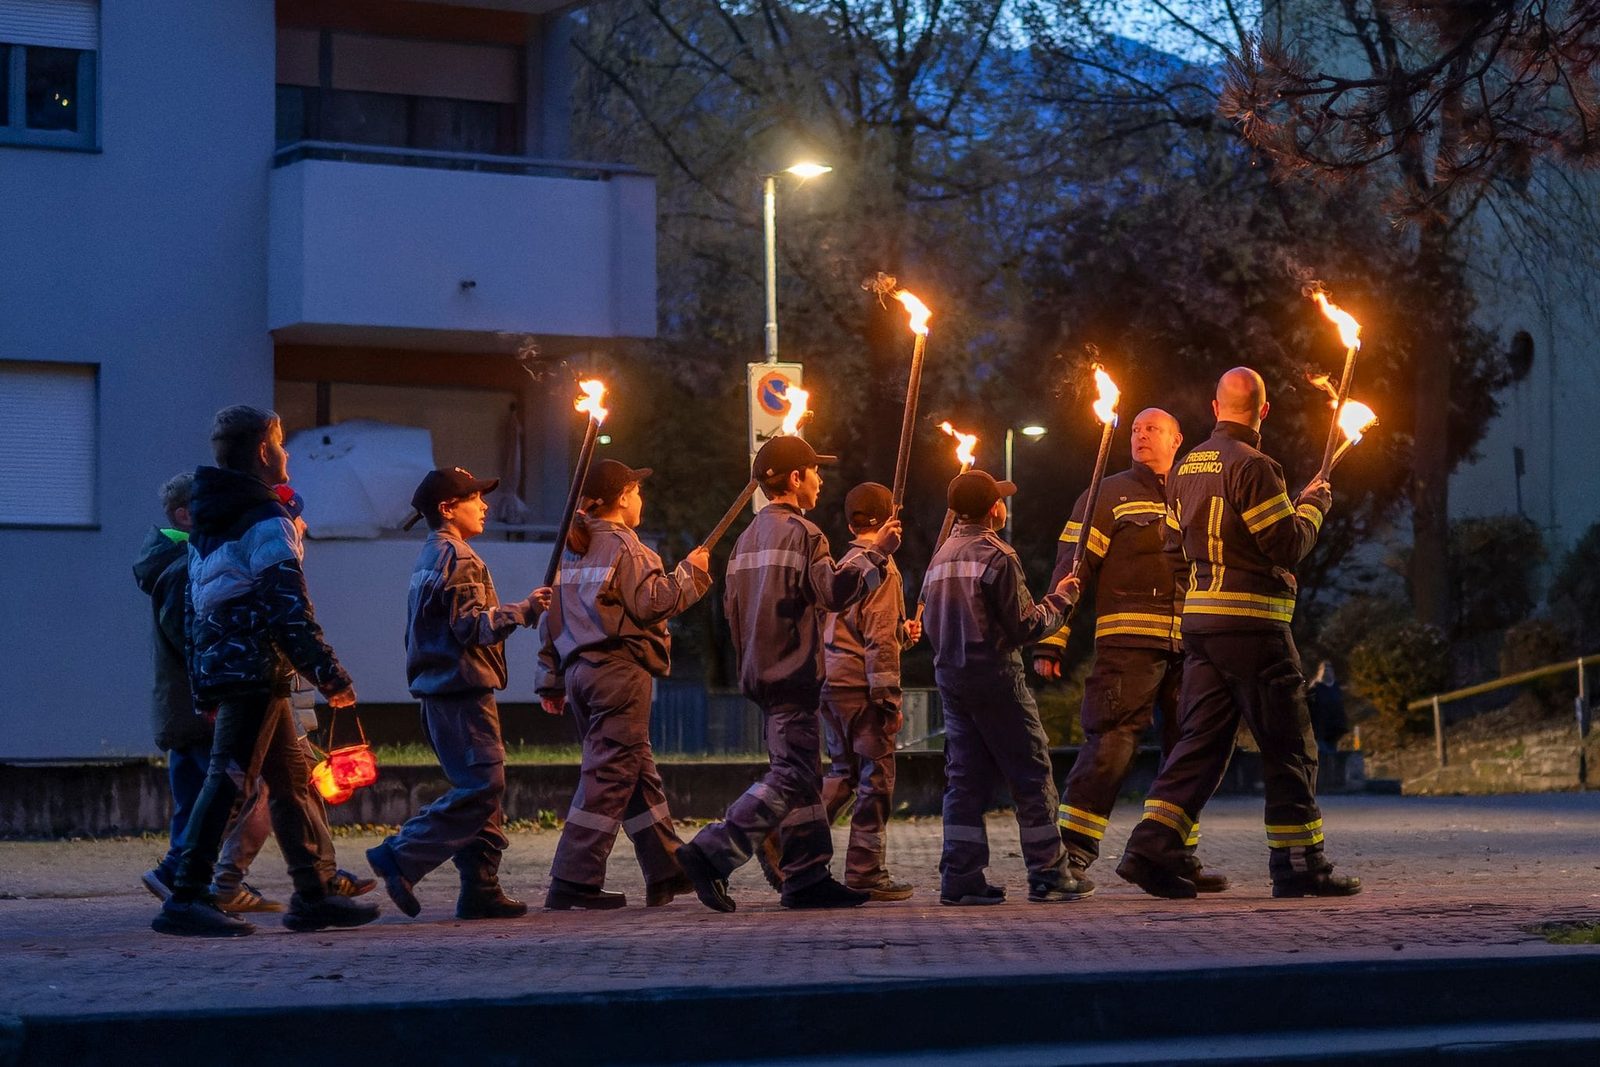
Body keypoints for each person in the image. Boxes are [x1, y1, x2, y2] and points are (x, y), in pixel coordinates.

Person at [1115, 368, 1361, 899]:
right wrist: (1314, 506)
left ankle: (1151, 848)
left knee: (1199, 744)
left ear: (1214, 406)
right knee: (1289, 745)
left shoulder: (1184, 468)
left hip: (1201, 626)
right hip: (1254, 628)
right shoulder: (1256, 466)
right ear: (1263, 411)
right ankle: (1300, 865)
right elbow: (1286, 543)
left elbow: (1172, 546)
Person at [154, 405, 379, 936]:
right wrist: (329, 674)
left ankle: (314, 893)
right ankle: (186, 896)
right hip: (256, 673)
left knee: (292, 782)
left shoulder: (209, 526)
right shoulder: (266, 520)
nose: (287, 454)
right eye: (281, 443)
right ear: (262, 452)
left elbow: (197, 612)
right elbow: (288, 606)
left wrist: (204, 683)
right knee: (229, 781)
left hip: (239, 673)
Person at [675, 436, 901, 912]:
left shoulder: (744, 540)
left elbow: (731, 614)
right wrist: (877, 553)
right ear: (795, 478)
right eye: (815, 471)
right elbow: (835, 593)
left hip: (760, 670)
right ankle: (712, 852)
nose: (821, 480)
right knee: (793, 772)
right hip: (794, 672)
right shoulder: (805, 534)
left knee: (804, 775)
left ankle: (806, 875)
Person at [1032, 409, 1228, 894]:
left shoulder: (1195, 490)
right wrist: (1053, 636)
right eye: (1136, 430)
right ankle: (1070, 856)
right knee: (1111, 744)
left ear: (1177, 439)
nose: (1141, 436)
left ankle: (1174, 852)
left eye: (1152, 429)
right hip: (1127, 647)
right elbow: (1072, 566)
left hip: (1190, 645)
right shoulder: (1107, 493)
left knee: (1189, 750)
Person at [366, 467, 551, 921]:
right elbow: (471, 627)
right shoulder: (460, 558)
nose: (485, 505)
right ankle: (402, 855)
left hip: (439, 690)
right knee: (484, 784)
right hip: (461, 689)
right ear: (448, 508)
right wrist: (523, 611)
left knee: (481, 791)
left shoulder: (429, 555)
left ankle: (481, 888)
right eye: (474, 498)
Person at [536, 459, 712, 909]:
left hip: (579, 674)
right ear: (623, 497)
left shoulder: (570, 548)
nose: (642, 499)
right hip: (619, 673)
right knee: (609, 775)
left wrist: (552, 679)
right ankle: (573, 878)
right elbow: (653, 603)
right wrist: (691, 573)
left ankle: (668, 869)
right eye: (637, 490)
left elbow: (550, 616)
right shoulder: (627, 549)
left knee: (634, 772)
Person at [921, 469, 1088, 905]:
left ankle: (960, 876)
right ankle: (1049, 872)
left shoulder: (941, 556)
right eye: (1001, 499)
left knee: (964, 779)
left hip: (951, 680)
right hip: (995, 677)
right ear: (994, 508)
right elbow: (1025, 624)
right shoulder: (997, 555)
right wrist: (1062, 599)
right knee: (1031, 772)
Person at [134, 472, 275, 914]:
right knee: (236, 792)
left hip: (184, 708)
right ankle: (181, 877)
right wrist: (213, 696)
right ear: (185, 515)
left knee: (197, 796)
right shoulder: (181, 568)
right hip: (199, 708)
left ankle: (189, 882)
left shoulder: (174, 561)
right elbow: (192, 639)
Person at [1307, 660, 1348, 787]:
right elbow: (1310, 708)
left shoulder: (1335, 688)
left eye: (1329, 670)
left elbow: (1340, 707)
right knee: (1322, 754)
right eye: (1324, 670)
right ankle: (1319, 783)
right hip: (1319, 728)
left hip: (1334, 728)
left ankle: (1331, 782)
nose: (1327, 673)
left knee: (1332, 753)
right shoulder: (1315, 688)